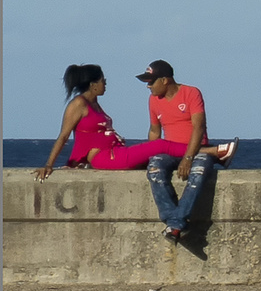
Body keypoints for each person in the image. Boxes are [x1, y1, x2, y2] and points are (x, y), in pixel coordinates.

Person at [34, 66, 237, 193]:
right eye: (103, 80)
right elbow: (64, 136)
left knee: (156, 157)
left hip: (114, 153)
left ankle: (210, 154)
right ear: (93, 83)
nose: (106, 83)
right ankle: (213, 151)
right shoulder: (78, 105)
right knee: (159, 145)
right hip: (105, 158)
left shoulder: (94, 103)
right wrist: (48, 164)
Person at [139, 60, 232, 241]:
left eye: (151, 82)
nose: (148, 86)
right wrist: (148, 156)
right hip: (169, 150)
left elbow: (198, 127)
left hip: (197, 150)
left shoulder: (191, 93)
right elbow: (154, 131)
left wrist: (188, 158)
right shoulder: (153, 100)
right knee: (155, 169)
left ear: (165, 80)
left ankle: (175, 223)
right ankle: (174, 219)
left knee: (198, 172)